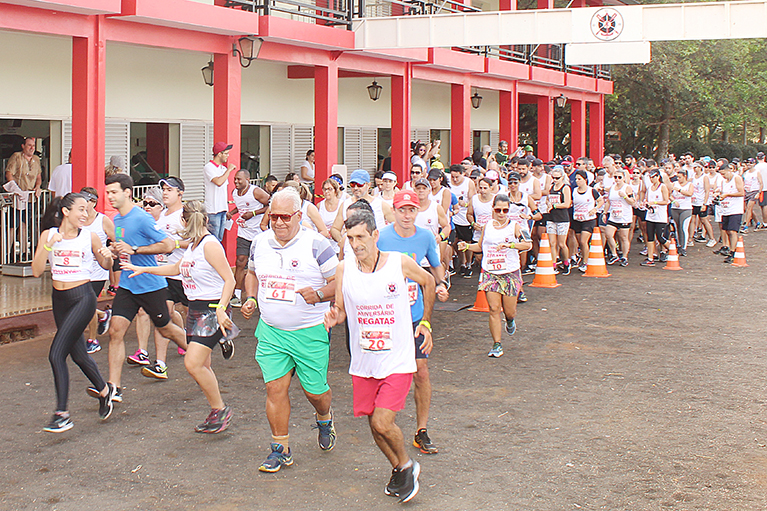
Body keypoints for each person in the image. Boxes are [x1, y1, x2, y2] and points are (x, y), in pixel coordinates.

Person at [324, 208, 435, 503]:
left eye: (361, 236)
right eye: (350, 237)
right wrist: (334, 317)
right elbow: (341, 308)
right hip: (364, 361)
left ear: (375, 235)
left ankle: (408, 465)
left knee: (383, 422)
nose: (356, 243)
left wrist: (425, 322)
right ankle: (398, 467)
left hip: (397, 358)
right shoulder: (344, 269)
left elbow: (429, 282)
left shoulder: (398, 263)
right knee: (373, 424)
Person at [241, 187, 339, 472]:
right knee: (274, 388)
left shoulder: (317, 244)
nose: (280, 222)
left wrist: (320, 295)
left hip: (309, 330)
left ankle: (325, 417)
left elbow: (338, 281)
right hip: (272, 331)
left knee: (315, 393)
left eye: (286, 217)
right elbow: (251, 274)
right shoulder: (259, 242)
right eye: (274, 217)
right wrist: (249, 297)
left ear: (299, 215)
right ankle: (279, 449)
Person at [123, 201, 236, 433]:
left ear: (184, 221)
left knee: (192, 363)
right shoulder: (194, 245)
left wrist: (222, 308)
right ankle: (217, 411)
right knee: (202, 364)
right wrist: (145, 269)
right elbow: (177, 269)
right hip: (195, 309)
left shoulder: (210, 245)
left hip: (211, 309)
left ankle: (220, 409)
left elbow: (230, 280)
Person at [31, 193, 117, 432]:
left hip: (83, 298)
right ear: (66, 211)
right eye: (80, 209)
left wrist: (108, 258)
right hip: (59, 300)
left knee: (56, 354)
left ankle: (62, 413)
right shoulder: (49, 235)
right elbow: (37, 271)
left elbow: (106, 265)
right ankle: (103, 390)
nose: (85, 214)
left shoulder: (89, 237)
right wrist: (49, 245)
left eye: (87, 210)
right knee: (78, 354)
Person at [100, 173, 188, 402]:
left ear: (127, 192)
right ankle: (114, 388)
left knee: (166, 329)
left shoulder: (142, 218)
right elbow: (122, 248)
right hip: (128, 285)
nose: (109, 196)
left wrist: (135, 250)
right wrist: (113, 251)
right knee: (115, 331)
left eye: (113, 192)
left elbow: (168, 244)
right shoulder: (116, 220)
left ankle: (199, 352)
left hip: (151, 284)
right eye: (107, 192)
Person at [379, 190, 448, 455]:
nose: (407, 215)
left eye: (411, 210)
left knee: (421, 371)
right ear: (393, 211)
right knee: (386, 372)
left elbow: (434, 265)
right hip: (385, 317)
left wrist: (441, 285)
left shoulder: (425, 236)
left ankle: (421, 430)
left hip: (415, 316)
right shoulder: (382, 237)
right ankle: (384, 422)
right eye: (402, 210)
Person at [458, 193, 531, 357]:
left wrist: (510, 244)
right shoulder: (487, 226)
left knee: (509, 311)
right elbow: (479, 246)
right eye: (498, 209)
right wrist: (466, 247)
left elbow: (527, 244)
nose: (502, 213)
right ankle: (497, 344)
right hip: (490, 272)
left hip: (510, 272)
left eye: (505, 210)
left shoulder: (515, 226)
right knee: (493, 309)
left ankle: (510, 320)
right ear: (493, 209)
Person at [80, 187, 115, 354]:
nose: (81, 204)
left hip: (98, 269)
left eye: (85, 200)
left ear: (93, 202)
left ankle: (92, 339)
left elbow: (117, 238)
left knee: (88, 304)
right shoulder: (77, 219)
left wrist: (111, 253)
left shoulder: (103, 220)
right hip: (80, 269)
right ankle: (103, 315)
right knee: (83, 305)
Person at [228, 170, 270, 307]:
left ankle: (262, 294)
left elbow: (271, 205)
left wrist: (253, 213)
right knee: (240, 261)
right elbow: (241, 206)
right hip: (243, 233)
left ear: (248, 179)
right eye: (235, 179)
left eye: (239, 179)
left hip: (259, 233)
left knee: (260, 264)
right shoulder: (235, 193)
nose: (236, 182)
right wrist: (232, 213)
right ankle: (237, 295)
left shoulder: (256, 192)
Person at [5, 137, 42, 254]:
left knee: (25, 224)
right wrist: (16, 189)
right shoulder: (17, 156)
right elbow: (9, 174)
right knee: (12, 225)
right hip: (17, 197)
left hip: (30, 198)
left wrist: (38, 187)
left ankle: (24, 253)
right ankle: (6, 253)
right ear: (23, 146)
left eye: (33, 146)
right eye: (29, 145)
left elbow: (39, 177)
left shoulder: (36, 159)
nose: (32, 148)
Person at [570, 170, 604, 272]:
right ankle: (582, 256)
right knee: (580, 242)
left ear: (585, 180)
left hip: (588, 219)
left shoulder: (591, 191)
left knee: (583, 241)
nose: (577, 181)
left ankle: (585, 262)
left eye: (579, 179)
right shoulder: (574, 191)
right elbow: (571, 202)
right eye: (576, 179)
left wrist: (595, 209)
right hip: (577, 219)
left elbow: (601, 201)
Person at [602, 170, 635, 267]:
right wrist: (604, 213)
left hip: (624, 216)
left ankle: (625, 257)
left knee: (624, 237)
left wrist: (624, 196)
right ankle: (614, 254)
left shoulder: (627, 187)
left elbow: (632, 202)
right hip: (613, 215)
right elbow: (608, 201)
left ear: (624, 178)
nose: (617, 179)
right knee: (608, 234)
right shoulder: (612, 188)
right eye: (615, 177)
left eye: (619, 177)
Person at [204, 142, 236, 241]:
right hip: (212, 210)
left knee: (220, 239)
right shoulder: (209, 167)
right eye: (226, 153)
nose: (228, 156)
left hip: (222, 209)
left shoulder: (223, 168)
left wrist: (226, 209)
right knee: (213, 239)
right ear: (219, 154)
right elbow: (218, 182)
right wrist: (229, 170)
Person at [713, 164, 745, 264]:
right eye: (721, 175)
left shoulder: (737, 178)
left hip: (735, 209)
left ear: (729, 171)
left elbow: (741, 192)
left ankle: (733, 251)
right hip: (726, 209)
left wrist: (727, 194)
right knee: (726, 230)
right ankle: (730, 248)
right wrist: (719, 195)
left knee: (732, 231)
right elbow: (723, 192)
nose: (723, 176)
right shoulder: (723, 181)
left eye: (724, 174)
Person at [449, 164, 476, 277]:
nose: (455, 179)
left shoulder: (468, 183)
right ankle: (462, 263)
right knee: (455, 242)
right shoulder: (448, 183)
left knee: (467, 242)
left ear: (463, 174)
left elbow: (473, 200)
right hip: (453, 216)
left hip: (464, 217)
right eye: (453, 177)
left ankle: (469, 263)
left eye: (457, 177)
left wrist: (464, 204)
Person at [640, 169, 671, 267]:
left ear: (658, 176)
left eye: (653, 177)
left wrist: (655, 203)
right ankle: (650, 257)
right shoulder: (650, 187)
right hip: (650, 215)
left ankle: (673, 249)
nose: (651, 179)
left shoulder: (662, 187)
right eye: (650, 177)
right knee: (650, 237)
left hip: (660, 216)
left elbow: (666, 201)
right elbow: (647, 199)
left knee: (660, 237)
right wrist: (644, 203)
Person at [466, 178, 496, 278]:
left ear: (491, 188)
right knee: (479, 257)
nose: (482, 190)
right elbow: (469, 214)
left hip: (492, 233)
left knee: (490, 256)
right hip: (478, 233)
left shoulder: (495, 199)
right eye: (481, 188)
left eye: (485, 188)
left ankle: (489, 275)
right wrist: (473, 224)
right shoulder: (474, 199)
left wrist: (491, 225)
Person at [546, 166, 572, 274]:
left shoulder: (565, 188)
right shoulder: (551, 187)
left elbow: (567, 203)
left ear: (562, 177)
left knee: (562, 244)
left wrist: (555, 206)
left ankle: (566, 262)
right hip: (552, 218)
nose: (555, 180)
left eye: (557, 178)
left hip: (562, 219)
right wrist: (548, 204)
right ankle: (553, 264)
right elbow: (548, 199)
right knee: (552, 243)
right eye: (554, 178)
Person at [669, 170, 694, 256]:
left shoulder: (689, 184)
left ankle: (684, 247)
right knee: (677, 227)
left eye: (680, 177)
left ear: (685, 176)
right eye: (678, 177)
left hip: (686, 208)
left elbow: (690, 193)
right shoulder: (674, 184)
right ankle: (679, 245)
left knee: (684, 227)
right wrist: (674, 201)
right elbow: (669, 195)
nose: (678, 179)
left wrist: (679, 190)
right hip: (675, 208)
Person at [318, 178, 343, 254]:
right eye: (325, 189)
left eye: (330, 189)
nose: (327, 192)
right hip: (325, 243)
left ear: (335, 191)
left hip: (338, 242)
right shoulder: (319, 205)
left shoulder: (342, 205)